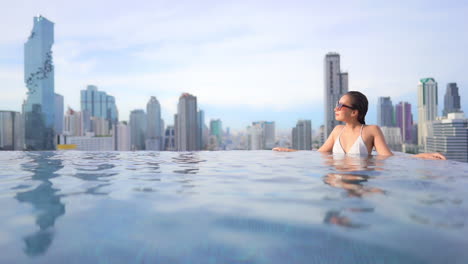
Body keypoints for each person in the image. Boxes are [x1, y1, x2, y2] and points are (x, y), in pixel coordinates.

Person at [274, 91, 446, 160]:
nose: (336, 108)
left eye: (341, 106)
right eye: (337, 104)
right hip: (336, 183)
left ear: (355, 112)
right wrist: (290, 152)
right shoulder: (337, 131)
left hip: (360, 182)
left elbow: (388, 157)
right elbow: (319, 155)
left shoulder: (371, 131)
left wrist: (421, 156)